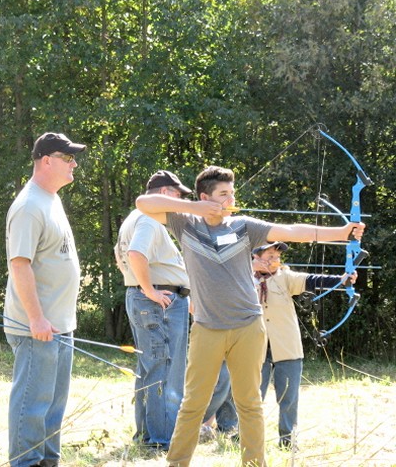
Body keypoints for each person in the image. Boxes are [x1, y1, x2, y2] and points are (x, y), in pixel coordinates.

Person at [136, 165, 365, 467]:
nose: (230, 199)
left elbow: (292, 232)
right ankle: (177, 463)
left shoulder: (243, 226)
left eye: (232, 193)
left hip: (248, 327)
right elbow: (144, 203)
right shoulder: (185, 224)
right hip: (207, 328)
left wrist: (340, 232)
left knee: (250, 404)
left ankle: (255, 464)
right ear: (205, 197)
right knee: (193, 404)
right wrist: (195, 206)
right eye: (223, 194)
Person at [205, 241, 358, 450]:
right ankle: (245, 438)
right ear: (255, 258)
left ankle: (288, 442)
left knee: (289, 399)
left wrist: (342, 280)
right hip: (253, 350)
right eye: (270, 256)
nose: (275, 261)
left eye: (277, 257)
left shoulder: (285, 277)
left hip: (287, 348)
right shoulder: (242, 279)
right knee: (250, 397)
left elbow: (311, 280)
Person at [3, 132, 86, 467]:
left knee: (53, 404)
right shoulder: (28, 205)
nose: (74, 164)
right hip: (36, 326)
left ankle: (48, 461)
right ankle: (25, 462)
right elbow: (19, 264)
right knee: (33, 403)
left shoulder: (50, 198)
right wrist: (36, 318)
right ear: (47, 160)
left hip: (60, 324)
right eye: (68, 158)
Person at [114, 170, 192, 451]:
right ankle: (162, 439)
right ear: (164, 193)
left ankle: (148, 435)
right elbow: (136, 254)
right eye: (178, 194)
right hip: (160, 302)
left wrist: (141, 288)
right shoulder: (148, 218)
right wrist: (149, 290)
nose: (181, 200)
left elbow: (119, 256)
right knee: (166, 367)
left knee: (151, 368)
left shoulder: (132, 219)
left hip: (147, 299)